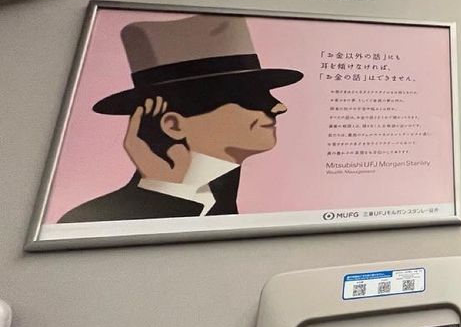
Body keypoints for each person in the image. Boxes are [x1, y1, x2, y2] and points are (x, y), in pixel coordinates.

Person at [60, 14, 302, 223]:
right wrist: (167, 192)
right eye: (248, 98)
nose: (279, 107)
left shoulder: (222, 200)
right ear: (173, 125)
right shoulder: (88, 220)